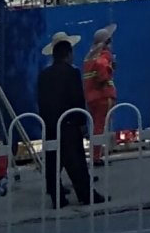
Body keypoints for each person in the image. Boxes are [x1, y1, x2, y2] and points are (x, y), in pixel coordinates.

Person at [35, 36, 96, 207]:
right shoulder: (72, 72)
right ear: (68, 54)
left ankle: (57, 198)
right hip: (69, 122)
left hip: (50, 123)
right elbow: (77, 98)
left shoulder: (44, 75)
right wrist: (82, 122)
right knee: (76, 160)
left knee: (53, 161)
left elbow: (41, 100)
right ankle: (85, 194)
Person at [82, 25, 119, 158]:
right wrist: (108, 71)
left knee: (96, 126)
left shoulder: (89, 57)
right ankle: (96, 156)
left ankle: (96, 153)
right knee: (100, 127)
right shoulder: (104, 55)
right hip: (103, 96)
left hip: (92, 97)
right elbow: (102, 69)